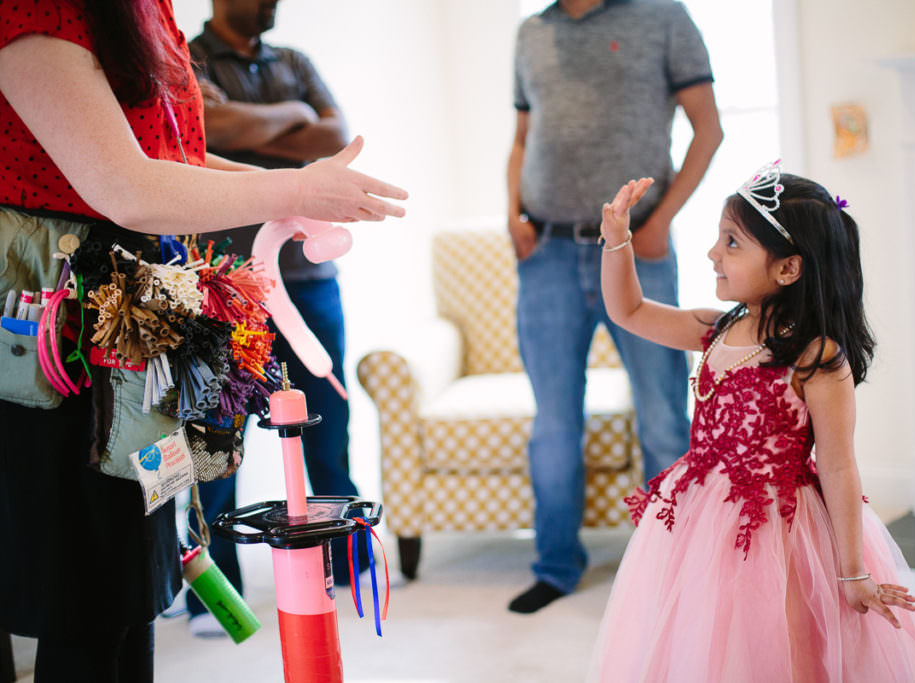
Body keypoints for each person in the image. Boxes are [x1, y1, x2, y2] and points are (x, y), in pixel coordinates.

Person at [0, 1, 405, 680]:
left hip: (143, 319)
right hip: (67, 335)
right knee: (91, 594)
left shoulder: (146, 10)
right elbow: (124, 187)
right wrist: (293, 187)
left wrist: (297, 191)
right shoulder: (38, 9)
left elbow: (170, 154)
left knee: (136, 582)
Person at [586, 169, 915, 681]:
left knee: (781, 641)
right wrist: (618, 239)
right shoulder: (717, 329)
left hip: (780, 526)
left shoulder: (815, 358)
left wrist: (852, 572)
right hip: (701, 515)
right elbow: (629, 311)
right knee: (707, 636)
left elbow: (839, 467)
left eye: (732, 242)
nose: (713, 253)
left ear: (788, 268)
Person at [506, 0, 723, 613]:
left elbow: (709, 129)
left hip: (638, 250)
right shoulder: (531, 32)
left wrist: (662, 220)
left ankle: (673, 567)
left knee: (662, 416)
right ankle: (555, 567)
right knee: (553, 423)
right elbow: (521, 138)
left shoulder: (663, 16)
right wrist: (512, 214)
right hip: (547, 251)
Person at [183, 0, 368, 637]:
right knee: (214, 443)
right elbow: (205, 129)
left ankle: (349, 562)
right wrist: (294, 114)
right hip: (222, 285)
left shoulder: (294, 60)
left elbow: (334, 135)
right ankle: (216, 592)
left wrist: (255, 128)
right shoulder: (188, 58)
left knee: (328, 427)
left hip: (309, 281)